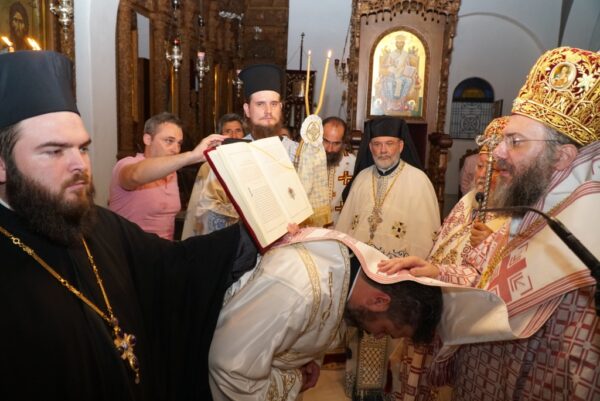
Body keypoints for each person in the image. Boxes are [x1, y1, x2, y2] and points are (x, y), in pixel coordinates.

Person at [0, 50, 252, 401]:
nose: (79, 165)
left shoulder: (98, 225)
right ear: (3, 165)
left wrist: (248, 237)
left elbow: (174, 267)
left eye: (82, 148)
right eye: (55, 151)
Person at [379, 47, 600, 401]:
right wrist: (436, 271)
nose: (497, 153)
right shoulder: (526, 211)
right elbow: (480, 277)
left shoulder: (587, 242)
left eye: (515, 142)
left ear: (562, 157)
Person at [208, 227, 443, 401]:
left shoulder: (347, 266)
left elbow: (318, 317)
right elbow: (231, 370)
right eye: (386, 330)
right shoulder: (300, 290)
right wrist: (295, 380)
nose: (378, 336)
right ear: (379, 301)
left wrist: (310, 358)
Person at [335, 116, 440, 400]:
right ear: (369, 147)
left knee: (391, 337)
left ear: (401, 145)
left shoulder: (418, 181)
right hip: (362, 277)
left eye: (389, 144)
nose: (383, 150)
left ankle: (388, 392)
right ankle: (361, 390)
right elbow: (345, 227)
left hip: (397, 280)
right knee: (361, 331)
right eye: (377, 144)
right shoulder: (361, 178)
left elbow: (427, 234)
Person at [195, 64, 303, 234]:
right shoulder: (230, 153)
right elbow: (208, 206)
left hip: (290, 241)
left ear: (281, 107)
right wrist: (248, 218)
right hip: (242, 243)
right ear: (247, 109)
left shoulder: (298, 153)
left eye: (274, 104)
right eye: (260, 104)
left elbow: (312, 203)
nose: (268, 111)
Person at [108, 112, 212, 240]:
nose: (176, 149)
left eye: (179, 143)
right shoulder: (127, 164)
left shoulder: (171, 172)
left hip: (163, 248)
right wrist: (192, 156)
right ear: (147, 139)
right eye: (169, 141)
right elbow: (135, 175)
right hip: (128, 248)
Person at [181, 113, 245, 239]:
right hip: (219, 234)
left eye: (238, 131)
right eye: (228, 131)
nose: (234, 136)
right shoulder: (209, 166)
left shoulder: (251, 163)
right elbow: (203, 207)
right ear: (220, 137)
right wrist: (241, 212)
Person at [322, 116, 356, 225]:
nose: (329, 149)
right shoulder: (306, 161)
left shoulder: (353, 164)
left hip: (340, 227)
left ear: (344, 143)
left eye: (336, 143)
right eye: (325, 141)